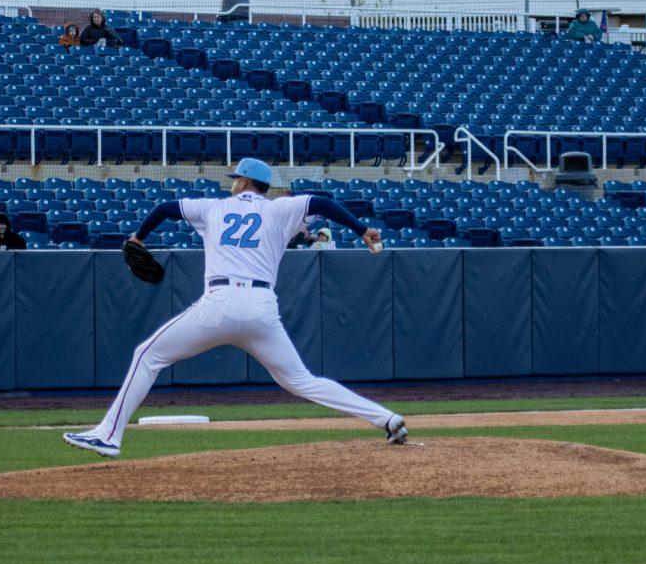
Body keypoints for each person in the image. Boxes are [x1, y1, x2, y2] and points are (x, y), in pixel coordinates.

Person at [63, 157, 406, 459]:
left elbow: (166, 208)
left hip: (219, 304)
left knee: (147, 355)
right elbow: (323, 202)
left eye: (235, 179)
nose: (232, 184)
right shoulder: (277, 209)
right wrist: (361, 230)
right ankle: (387, 419)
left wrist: (138, 237)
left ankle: (108, 435)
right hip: (261, 309)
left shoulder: (213, 207)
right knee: (302, 380)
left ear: (242, 181)